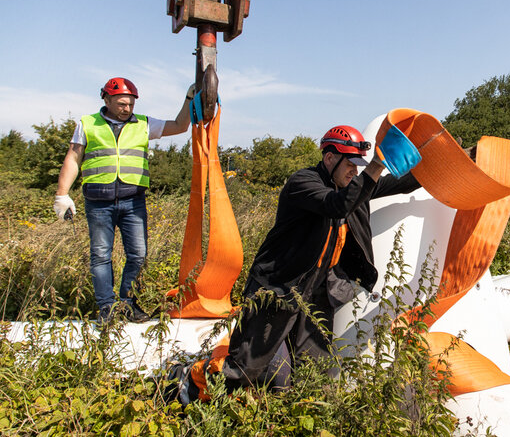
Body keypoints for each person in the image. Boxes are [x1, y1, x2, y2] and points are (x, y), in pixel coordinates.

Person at [172, 124, 421, 402]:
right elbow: (336, 205)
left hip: (314, 293)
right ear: (330, 158)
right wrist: (376, 165)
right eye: (350, 163)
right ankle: (186, 381)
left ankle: (296, 416)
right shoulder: (303, 183)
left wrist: (447, 162)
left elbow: (395, 183)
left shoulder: (350, 186)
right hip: (276, 290)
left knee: (315, 370)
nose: (355, 170)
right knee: (244, 368)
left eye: (359, 165)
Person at [53, 77, 195, 324]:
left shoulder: (143, 124)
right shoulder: (88, 124)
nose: (127, 109)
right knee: (100, 255)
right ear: (106, 100)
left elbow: (181, 125)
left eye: (130, 104)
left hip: (133, 201)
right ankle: (107, 307)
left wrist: (189, 99)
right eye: (121, 104)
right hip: (98, 201)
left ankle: (128, 303)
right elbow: (73, 159)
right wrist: (62, 194)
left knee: (138, 254)